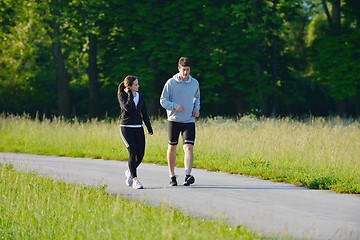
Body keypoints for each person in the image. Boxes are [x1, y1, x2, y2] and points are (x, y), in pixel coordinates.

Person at [160, 57, 200, 186]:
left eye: (188, 70)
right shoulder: (170, 83)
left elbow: (197, 96)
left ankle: (187, 176)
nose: (185, 73)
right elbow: (163, 100)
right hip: (174, 120)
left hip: (189, 120)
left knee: (188, 147)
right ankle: (172, 176)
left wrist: (196, 108)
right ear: (179, 69)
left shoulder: (194, 83)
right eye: (183, 70)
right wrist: (174, 105)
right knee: (172, 147)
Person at [118, 75, 153, 189]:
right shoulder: (122, 95)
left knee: (141, 154)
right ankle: (135, 180)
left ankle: (130, 170)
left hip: (138, 126)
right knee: (132, 152)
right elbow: (127, 108)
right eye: (136, 84)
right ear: (129, 86)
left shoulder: (140, 96)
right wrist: (129, 95)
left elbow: (144, 113)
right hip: (126, 127)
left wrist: (149, 127)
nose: (138, 86)